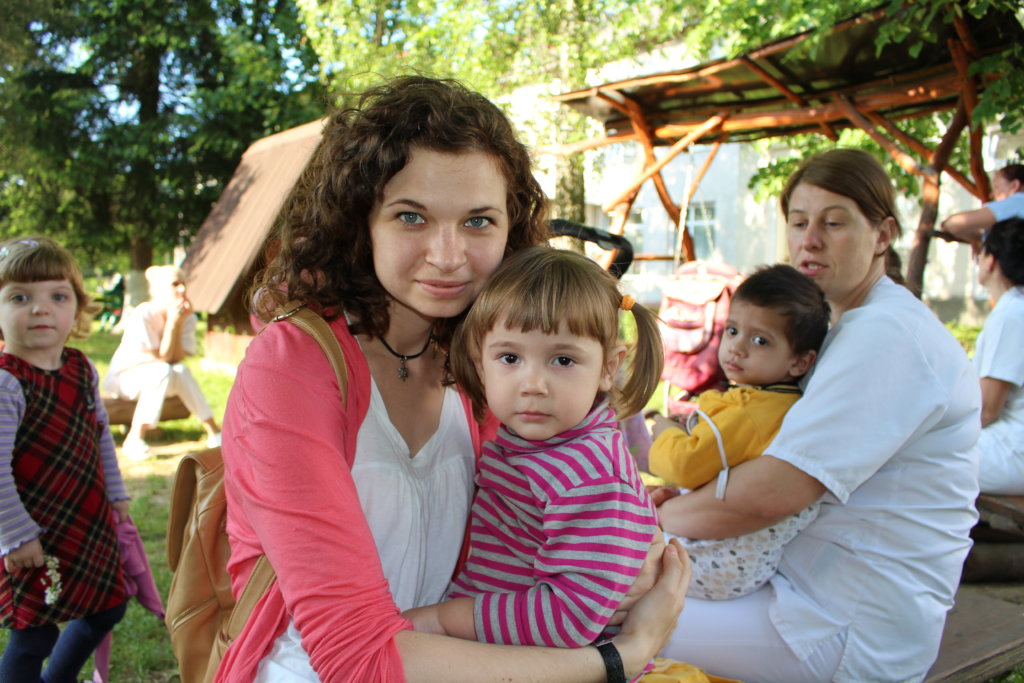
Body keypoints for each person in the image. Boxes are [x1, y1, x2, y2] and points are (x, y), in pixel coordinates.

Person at [218, 75, 687, 683]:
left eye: (478, 222)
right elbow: (357, 658)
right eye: (411, 217)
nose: (447, 255)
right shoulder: (291, 369)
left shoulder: (491, 366)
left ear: (511, 229)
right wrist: (614, 659)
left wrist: (636, 559)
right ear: (361, 221)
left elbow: (547, 523)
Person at [656, 148, 980, 682]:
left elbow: (769, 494)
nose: (810, 240)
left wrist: (645, 522)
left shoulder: (887, 334)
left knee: (588, 615)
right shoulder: (850, 325)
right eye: (799, 222)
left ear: (882, 235)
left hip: (842, 624)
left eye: (834, 223)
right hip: (803, 591)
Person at [400, 245, 662, 652]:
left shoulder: (591, 479)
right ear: (480, 361)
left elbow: (569, 620)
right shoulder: (535, 446)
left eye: (562, 360)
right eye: (509, 357)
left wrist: (439, 619)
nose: (533, 383)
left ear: (609, 368)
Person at [648, 264, 830, 600]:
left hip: (709, 559)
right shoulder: (775, 401)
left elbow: (683, 465)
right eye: (732, 331)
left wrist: (662, 431)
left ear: (800, 362)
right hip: (736, 559)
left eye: (760, 340)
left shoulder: (752, 412)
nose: (737, 348)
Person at [0, 236, 131, 681]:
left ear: (77, 310)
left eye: (58, 296)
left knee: (107, 607)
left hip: (85, 519)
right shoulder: (6, 384)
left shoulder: (80, 367)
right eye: (20, 297)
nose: (41, 309)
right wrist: (16, 536)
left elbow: (99, 437)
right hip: (32, 532)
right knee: (34, 636)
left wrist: (116, 495)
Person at [103, 265, 221, 460]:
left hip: (160, 376)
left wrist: (178, 322)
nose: (182, 289)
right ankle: (135, 438)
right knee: (161, 370)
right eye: (175, 284)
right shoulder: (144, 314)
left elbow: (176, 358)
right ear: (158, 290)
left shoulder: (186, 317)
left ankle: (214, 432)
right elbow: (162, 358)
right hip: (125, 379)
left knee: (180, 370)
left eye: (183, 284)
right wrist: (173, 323)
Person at [972, 217, 1024, 494]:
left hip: (1014, 452)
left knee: (916, 454)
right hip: (1012, 445)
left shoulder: (1011, 312)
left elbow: (987, 411)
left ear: (991, 261)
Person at [940, 163, 1024, 248]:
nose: (991, 195)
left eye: (996, 187)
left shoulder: (1018, 201)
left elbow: (953, 224)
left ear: (1014, 185)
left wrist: (945, 224)